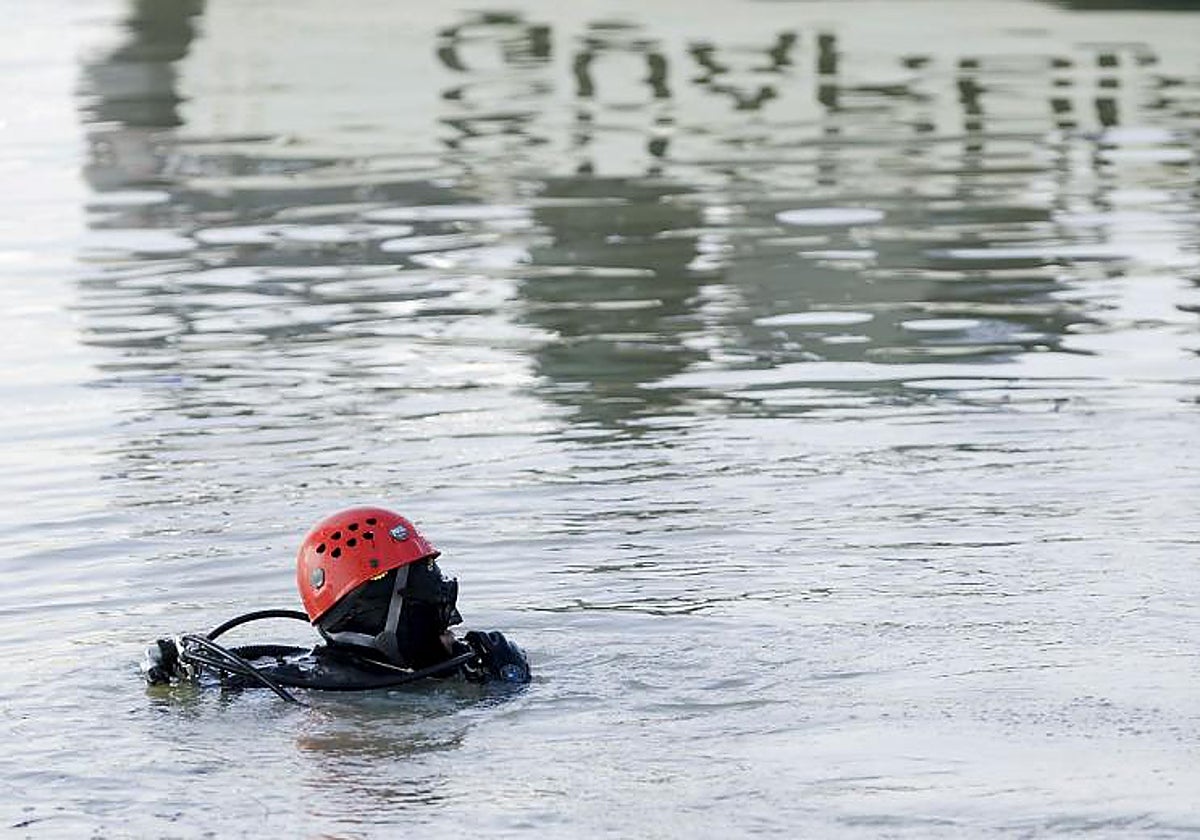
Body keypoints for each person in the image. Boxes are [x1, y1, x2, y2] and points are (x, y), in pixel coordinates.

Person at [143, 507, 530, 702]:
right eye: (430, 608)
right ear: (380, 609)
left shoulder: (468, 668)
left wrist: (505, 677)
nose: (450, 622)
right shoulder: (284, 679)